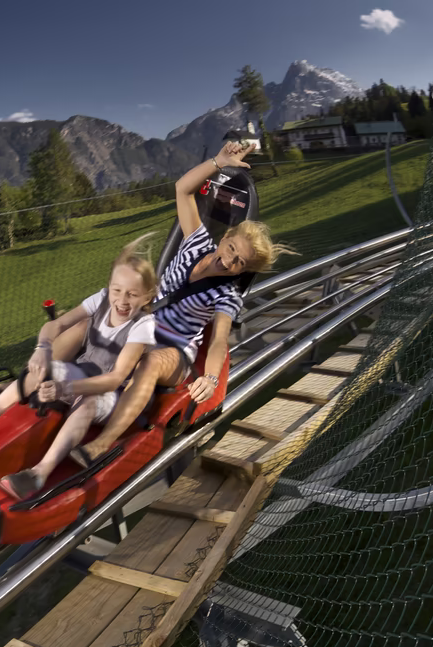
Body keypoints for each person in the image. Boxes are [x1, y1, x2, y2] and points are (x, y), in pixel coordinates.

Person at [73, 140, 296, 464]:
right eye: (232, 249)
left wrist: (211, 377)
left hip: (176, 351)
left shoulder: (227, 295)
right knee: (85, 325)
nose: (230, 261)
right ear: (225, 239)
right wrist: (218, 162)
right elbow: (183, 189)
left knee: (148, 362)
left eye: (240, 263)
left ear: (244, 271)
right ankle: (37, 387)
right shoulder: (196, 244)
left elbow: (219, 339)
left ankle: (101, 446)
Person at [0, 237, 160, 499]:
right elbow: (56, 325)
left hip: (110, 394)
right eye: (117, 290)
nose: (122, 300)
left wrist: (66, 387)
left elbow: (114, 378)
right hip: (82, 374)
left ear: (147, 296)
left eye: (132, 294)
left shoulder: (143, 325)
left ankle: (40, 473)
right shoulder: (103, 299)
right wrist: (43, 350)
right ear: (109, 287)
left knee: (89, 402)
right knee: (43, 369)